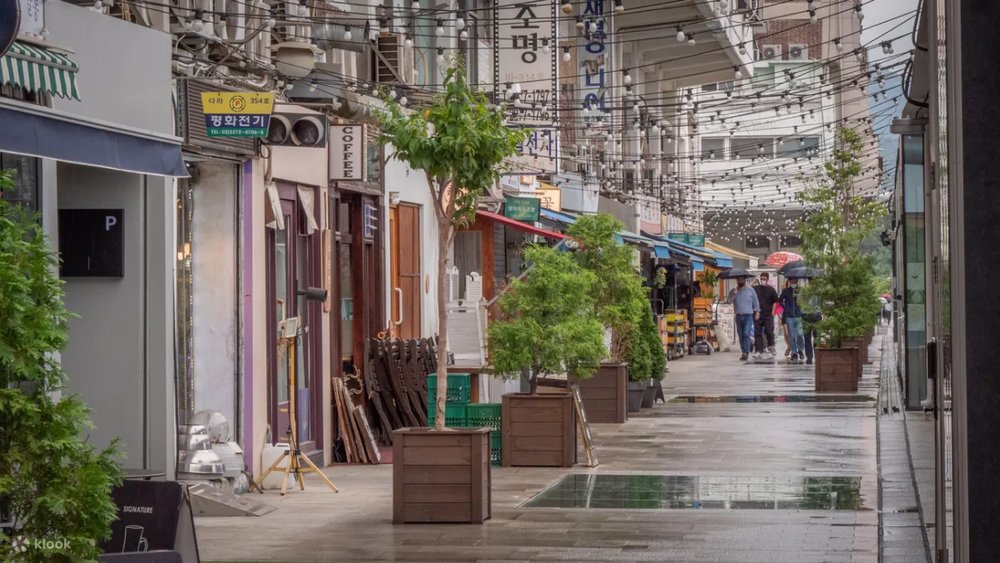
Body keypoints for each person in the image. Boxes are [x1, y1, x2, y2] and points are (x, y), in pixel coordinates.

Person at [732, 275, 760, 361]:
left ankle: (745, 352)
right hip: (738, 315)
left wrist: (757, 311)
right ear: (737, 280)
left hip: (748, 315)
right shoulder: (734, 291)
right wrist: (734, 294)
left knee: (746, 333)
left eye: (742, 279)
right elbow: (729, 301)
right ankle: (743, 351)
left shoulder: (751, 290)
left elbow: (755, 302)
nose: (740, 281)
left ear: (745, 280)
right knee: (740, 335)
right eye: (739, 280)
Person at [753, 272, 780, 359]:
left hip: (768, 314)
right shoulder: (756, 289)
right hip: (758, 314)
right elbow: (750, 294)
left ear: (767, 279)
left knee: (769, 331)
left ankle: (771, 345)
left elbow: (775, 302)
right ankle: (758, 350)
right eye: (761, 279)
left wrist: (773, 313)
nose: (762, 280)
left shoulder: (771, 290)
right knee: (757, 333)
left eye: (764, 279)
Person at [780, 277, 806, 363]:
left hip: (799, 315)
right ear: (789, 281)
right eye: (791, 281)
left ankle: (800, 350)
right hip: (789, 316)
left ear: (797, 281)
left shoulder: (801, 290)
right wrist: (785, 307)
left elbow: (804, 301)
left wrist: (801, 306)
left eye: (794, 281)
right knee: (791, 335)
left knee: (800, 334)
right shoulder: (786, 291)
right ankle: (794, 352)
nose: (793, 283)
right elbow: (780, 300)